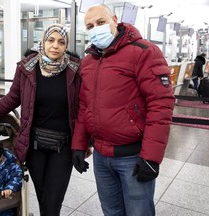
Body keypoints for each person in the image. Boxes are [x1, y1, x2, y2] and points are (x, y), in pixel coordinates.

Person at [71, 4, 175, 216]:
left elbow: (161, 104)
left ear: (115, 19)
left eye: (101, 22)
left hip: (133, 157)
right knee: (111, 212)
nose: (96, 29)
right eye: (90, 26)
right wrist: (79, 145)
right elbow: (84, 106)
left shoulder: (144, 52)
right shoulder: (88, 62)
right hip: (101, 156)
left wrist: (151, 157)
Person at [0, 23, 83, 216]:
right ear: (43, 41)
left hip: (64, 146)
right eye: (51, 40)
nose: (55, 46)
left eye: (61, 42)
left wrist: (85, 143)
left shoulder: (75, 70)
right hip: (34, 145)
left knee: (53, 199)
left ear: (66, 46)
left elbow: (83, 109)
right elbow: (12, 99)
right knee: (43, 198)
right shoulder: (27, 68)